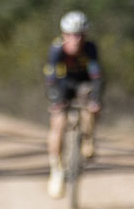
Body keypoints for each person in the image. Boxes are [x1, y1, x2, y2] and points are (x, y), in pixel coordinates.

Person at [44, 11, 103, 199]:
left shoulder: (90, 49)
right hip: (62, 85)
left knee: (90, 104)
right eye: (70, 35)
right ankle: (56, 169)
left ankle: (88, 139)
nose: (75, 40)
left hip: (83, 84)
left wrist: (96, 100)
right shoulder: (56, 49)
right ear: (64, 35)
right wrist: (55, 100)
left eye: (79, 35)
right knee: (58, 122)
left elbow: (96, 76)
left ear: (85, 35)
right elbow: (50, 78)